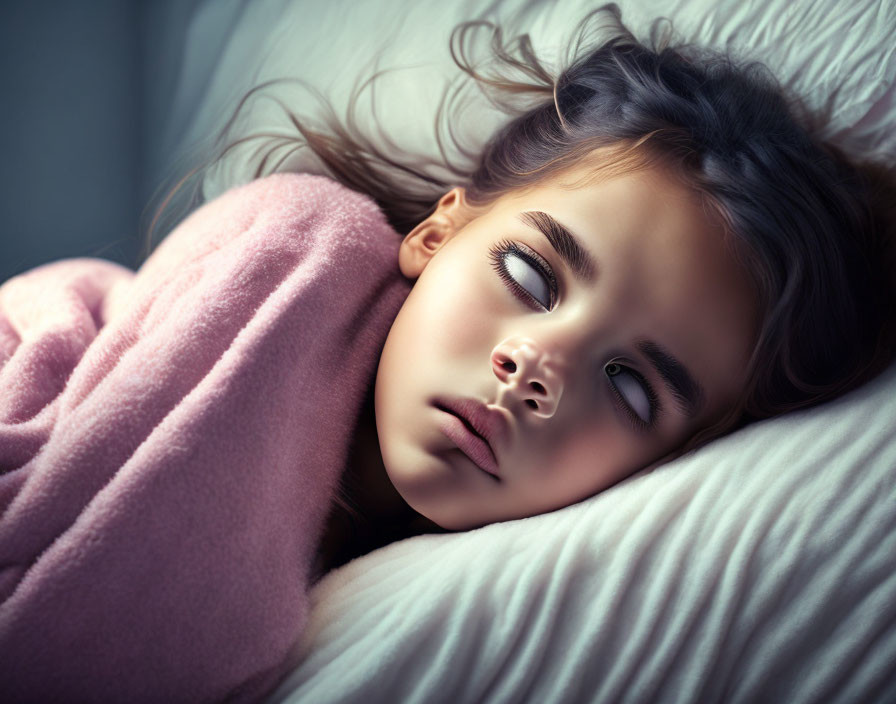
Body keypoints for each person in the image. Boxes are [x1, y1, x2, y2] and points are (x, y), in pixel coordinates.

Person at [1, 3, 893, 702]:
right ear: (439, 230)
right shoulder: (295, 248)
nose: (536, 368)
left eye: (630, 386)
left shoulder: (468, 589)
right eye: (532, 276)